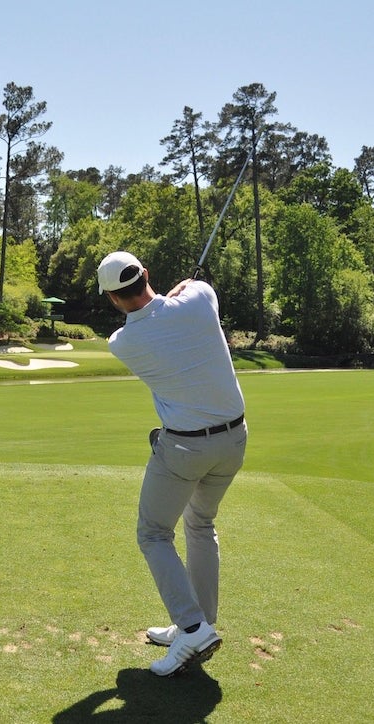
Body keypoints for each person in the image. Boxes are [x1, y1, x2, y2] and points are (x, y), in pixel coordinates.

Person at [97, 251, 248, 677]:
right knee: (200, 524)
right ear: (146, 274)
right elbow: (192, 290)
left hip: (184, 449)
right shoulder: (201, 298)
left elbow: (150, 313)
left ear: (112, 300)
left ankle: (193, 626)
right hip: (234, 440)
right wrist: (179, 288)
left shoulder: (123, 343)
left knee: (153, 533)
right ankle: (200, 623)